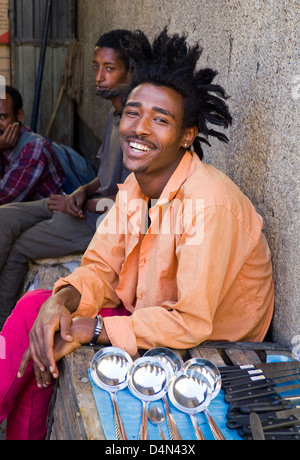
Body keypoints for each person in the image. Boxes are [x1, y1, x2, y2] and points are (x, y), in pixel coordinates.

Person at [0, 28, 274, 440]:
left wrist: (91, 328)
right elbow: (99, 268)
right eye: (133, 112)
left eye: (160, 119)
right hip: (150, 313)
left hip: (208, 342)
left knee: (46, 328)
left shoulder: (207, 204)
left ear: (186, 137)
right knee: (39, 315)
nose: (139, 128)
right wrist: (62, 302)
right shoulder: (134, 187)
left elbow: (190, 321)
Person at [0, 29, 135, 327]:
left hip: (101, 222)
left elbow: (126, 205)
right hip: (81, 204)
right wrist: (81, 191)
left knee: (21, 245)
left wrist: (79, 204)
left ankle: (4, 325)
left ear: (131, 71)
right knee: (5, 217)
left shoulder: (135, 125)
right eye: (95, 67)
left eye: (109, 69)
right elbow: (103, 177)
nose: (99, 76)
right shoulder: (113, 116)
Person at [0, 86, 66, 204]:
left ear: (19, 115)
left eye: (3, 117)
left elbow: (3, 197)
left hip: (52, 214)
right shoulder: (3, 144)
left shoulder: (33, 149)